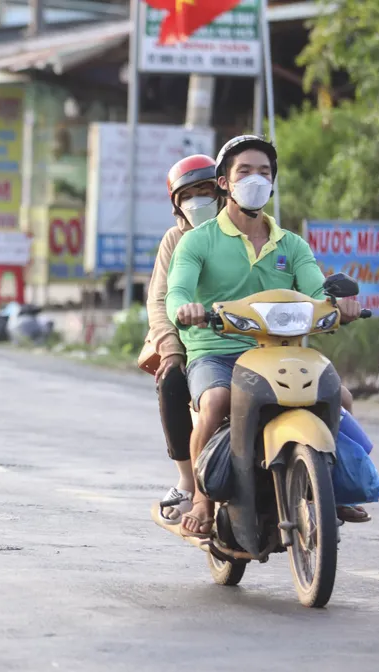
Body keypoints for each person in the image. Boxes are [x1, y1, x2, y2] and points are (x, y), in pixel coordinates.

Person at [165, 135, 364, 537]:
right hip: (216, 353)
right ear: (224, 182)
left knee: (340, 397)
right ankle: (203, 500)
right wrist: (186, 310)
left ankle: (334, 487)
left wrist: (340, 304)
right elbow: (177, 296)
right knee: (218, 399)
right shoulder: (196, 241)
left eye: (264, 172)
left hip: (279, 352)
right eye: (245, 172)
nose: (256, 179)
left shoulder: (291, 244)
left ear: (273, 182)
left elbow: (315, 291)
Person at [146, 155, 221, 524]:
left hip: (254, 339)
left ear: (221, 191)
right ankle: (188, 481)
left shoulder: (253, 233)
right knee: (172, 381)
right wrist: (171, 349)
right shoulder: (176, 241)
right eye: (188, 194)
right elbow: (160, 299)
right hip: (196, 343)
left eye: (204, 190)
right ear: (177, 202)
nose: (197, 200)